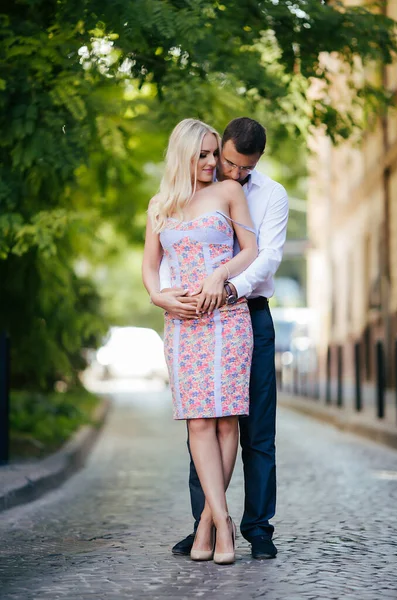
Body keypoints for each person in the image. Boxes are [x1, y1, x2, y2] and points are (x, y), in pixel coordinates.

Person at [155, 117, 289, 560]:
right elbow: (163, 257)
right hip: (196, 315)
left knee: (254, 428)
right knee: (203, 420)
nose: (229, 169)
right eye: (222, 159)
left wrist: (226, 287)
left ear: (256, 161)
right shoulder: (188, 192)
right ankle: (207, 522)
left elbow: (265, 256)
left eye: (240, 166)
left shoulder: (270, 195)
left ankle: (257, 526)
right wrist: (167, 296)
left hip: (246, 309)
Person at [142, 118, 258, 564]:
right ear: (183, 156)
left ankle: (213, 525)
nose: (212, 163)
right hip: (183, 322)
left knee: (227, 420)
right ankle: (219, 519)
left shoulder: (230, 193)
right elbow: (150, 267)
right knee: (198, 423)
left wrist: (218, 273)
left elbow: (250, 249)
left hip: (227, 318)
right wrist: (158, 297)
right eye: (203, 155)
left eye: (215, 153)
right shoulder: (159, 206)